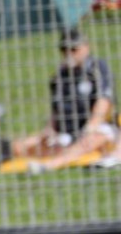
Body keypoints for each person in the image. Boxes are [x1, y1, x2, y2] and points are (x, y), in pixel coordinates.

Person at [13, 27, 117, 173]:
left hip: (96, 128)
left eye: (74, 49)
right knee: (21, 146)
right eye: (64, 49)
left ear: (86, 47)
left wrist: (92, 125)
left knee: (93, 138)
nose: (69, 54)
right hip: (68, 130)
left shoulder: (97, 68)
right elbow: (56, 110)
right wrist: (49, 130)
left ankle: (50, 166)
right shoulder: (60, 76)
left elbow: (104, 101)